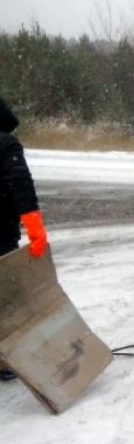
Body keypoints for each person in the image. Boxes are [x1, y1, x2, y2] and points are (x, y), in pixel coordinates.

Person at [0, 97, 49, 382]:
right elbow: (20, 184)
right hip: (1, 233)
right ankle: (6, 359)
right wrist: (34, 228)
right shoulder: (6, 144)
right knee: (5, 297)